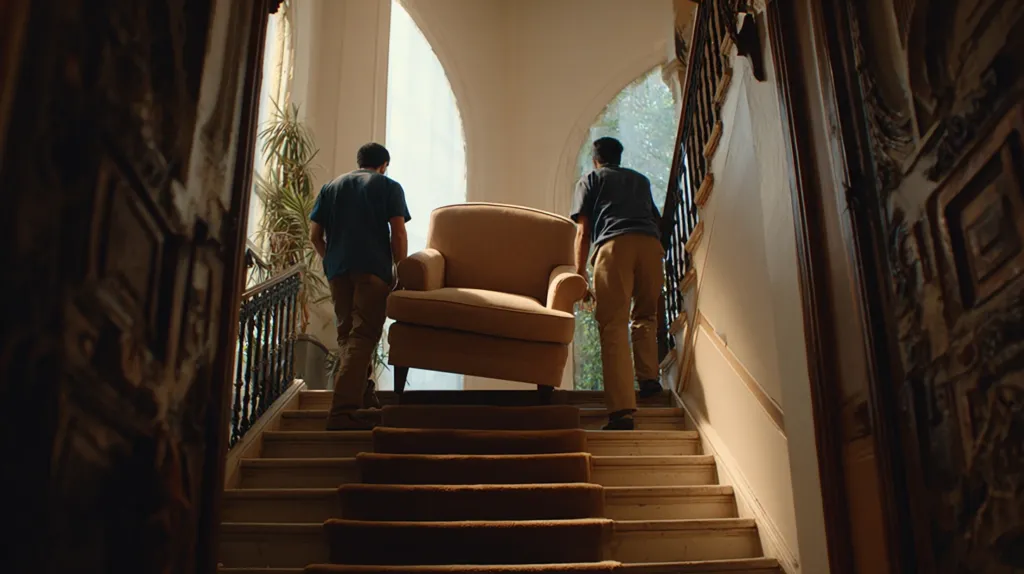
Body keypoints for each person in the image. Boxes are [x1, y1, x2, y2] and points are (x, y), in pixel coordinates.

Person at [310, 142, 410, 430]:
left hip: (337, 271)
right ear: (383, 165)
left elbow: (315, 235)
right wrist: (399, 270)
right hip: (372, 270)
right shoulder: (388, 186)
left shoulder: (331, 187)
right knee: (364, 336)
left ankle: (364, 398)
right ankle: (342, 412)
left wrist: (332, 260)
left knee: (347, 337)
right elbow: (399, 233)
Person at [570, 137, 664, 430]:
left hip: (614, 247)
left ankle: (622, 410)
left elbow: (583, 231)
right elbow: (656, 219)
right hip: (650, 246)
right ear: (619, 158)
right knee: (646, 315)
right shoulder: (641, 181)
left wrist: (579, 273)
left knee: (613, 325)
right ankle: (649, 380)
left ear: (595, 159)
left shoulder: (590, 179)